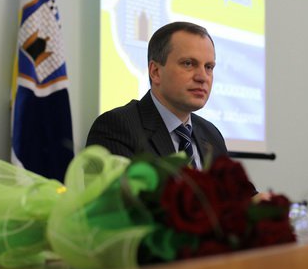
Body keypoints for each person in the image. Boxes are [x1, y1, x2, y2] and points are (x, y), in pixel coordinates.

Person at [86, 21, 227, 168]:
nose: (203, 77)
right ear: (155, 72)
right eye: (188, 63)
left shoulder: (212, 136)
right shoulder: (116, 128)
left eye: (209, 67)